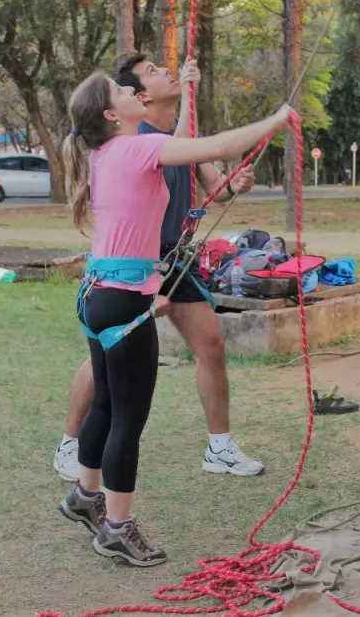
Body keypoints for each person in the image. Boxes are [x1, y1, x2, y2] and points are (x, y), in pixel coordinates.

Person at [56, 66, 291, 566]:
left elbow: (187, 146)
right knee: (127, 419)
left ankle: (83, 495)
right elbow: (213, 146)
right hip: (122, 300)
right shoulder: (136, 148)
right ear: (112, 113)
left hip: (99, 294)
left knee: (106, 407)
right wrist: (275, 120)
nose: (134, 92)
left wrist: (187, 92)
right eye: (123, 90)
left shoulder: (105, 152)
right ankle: (117, 528)